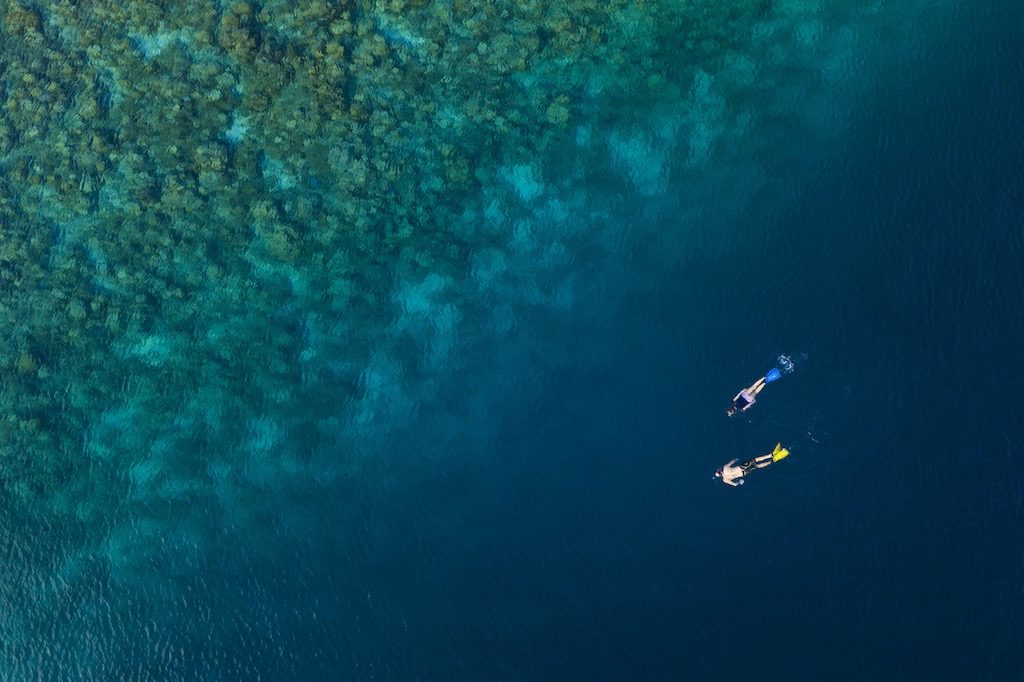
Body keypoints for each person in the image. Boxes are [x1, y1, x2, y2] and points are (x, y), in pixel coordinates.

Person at [715, 443, 789, 487]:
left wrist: (739, 482)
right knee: (755, 460)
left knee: (757, 466)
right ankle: (770, 455)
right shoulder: (725, 468)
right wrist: (737, 459)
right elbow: (733, 461)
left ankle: (773, 460)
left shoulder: (725, 480)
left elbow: (735, 484)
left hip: (744, 473)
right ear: (720, 471)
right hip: (742, 467)